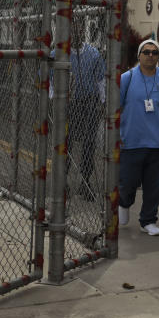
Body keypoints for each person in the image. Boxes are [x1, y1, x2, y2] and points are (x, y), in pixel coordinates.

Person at [118, 39, 159, 236]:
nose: (150, 56)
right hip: (132, 141)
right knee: (127, 183)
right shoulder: (127, 78)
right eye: (146, 52)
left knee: (155, 185)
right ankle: (124, 204)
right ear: (139, 55)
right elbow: (115, 108)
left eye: (154, 53)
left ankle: (148, 220)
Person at [59, 21, 106, 200]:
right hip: (67, 104)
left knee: (89, 143)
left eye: (78, 30)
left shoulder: (93, 54)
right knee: (66, 142)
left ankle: (85, 182)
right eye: (72, 31)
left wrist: (102, 102)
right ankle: (63, 182)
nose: (76, 34)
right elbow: (50, 78)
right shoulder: (60, 54)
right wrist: (53, 99)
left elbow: (100, 80)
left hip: (88, 103)